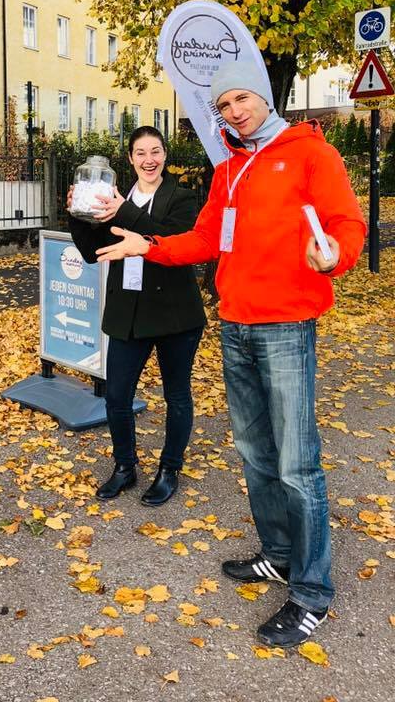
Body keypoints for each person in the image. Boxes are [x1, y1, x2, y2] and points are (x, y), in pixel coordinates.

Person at [95, 59, 366, 649]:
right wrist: (149, 245)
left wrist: (335, 255)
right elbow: (205, 239)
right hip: (235, 324)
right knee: (254, 451)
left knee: (297, 463)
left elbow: (347, 224)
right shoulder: (229, 169)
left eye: (241, 99)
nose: (234, 111)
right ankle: (278, 554)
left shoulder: (311, 153)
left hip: (286, 325)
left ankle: (312, 593)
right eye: (223, 105)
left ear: (264, 97)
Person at [68, 127, 205, 505]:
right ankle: (125, 466)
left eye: (155, 151)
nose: (149, 159)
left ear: (165, 155)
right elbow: (92, 252)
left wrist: (124, 211)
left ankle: (169, 469)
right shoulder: (112, 198)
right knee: (117, 396)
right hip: (128, 313)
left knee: (177, 395)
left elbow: (174, 240)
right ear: (130, 159)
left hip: (175, 315)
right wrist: (77, 214)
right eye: (141, 153)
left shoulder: (182, 197)